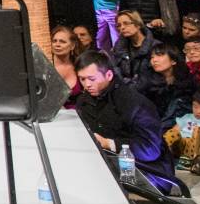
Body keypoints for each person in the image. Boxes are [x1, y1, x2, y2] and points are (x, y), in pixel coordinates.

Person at [74, 50, 176, 189]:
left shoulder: (134, 102)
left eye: (92, 79)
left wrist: (108, 143)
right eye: (82, 79)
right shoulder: (84, 101)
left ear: (109, 75)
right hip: (106, 166)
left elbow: (150, 149)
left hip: (147, 172)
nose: (87, 84)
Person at [135, 44, 197, 130]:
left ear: (173, 61)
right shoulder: (146, 80)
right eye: (152, 57)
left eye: (159, 55)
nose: (154, 60)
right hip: (156, 125)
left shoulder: (188, 79)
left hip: (184, 123)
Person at [111, 9, 157, 83]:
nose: (122, 28)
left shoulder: (155, 46)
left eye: (126, 23)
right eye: (119, 25)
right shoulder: (119, 47)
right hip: (126, 89)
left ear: (138, 24)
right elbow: (116, 71)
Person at [50, 26, 83, 109]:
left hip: (76, 115)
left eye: (62, 42)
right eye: (54, 41)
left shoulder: (79, 66)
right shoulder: (45, 66)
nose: (57, 44)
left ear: (72, 46)